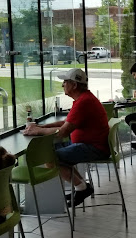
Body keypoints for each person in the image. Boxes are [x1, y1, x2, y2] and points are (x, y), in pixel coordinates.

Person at [23, 68, 109, 206]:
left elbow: (62, 132)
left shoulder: (84, 102)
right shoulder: (83, 99)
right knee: (51, 153)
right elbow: (67, 123)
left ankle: (82, 188)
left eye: (65, 82)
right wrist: (42, 127)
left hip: (94, 147)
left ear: (74, 85)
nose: (62, 85)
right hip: (87, 143)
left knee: (50, 158)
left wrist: (37, 131)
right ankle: (82, 187)